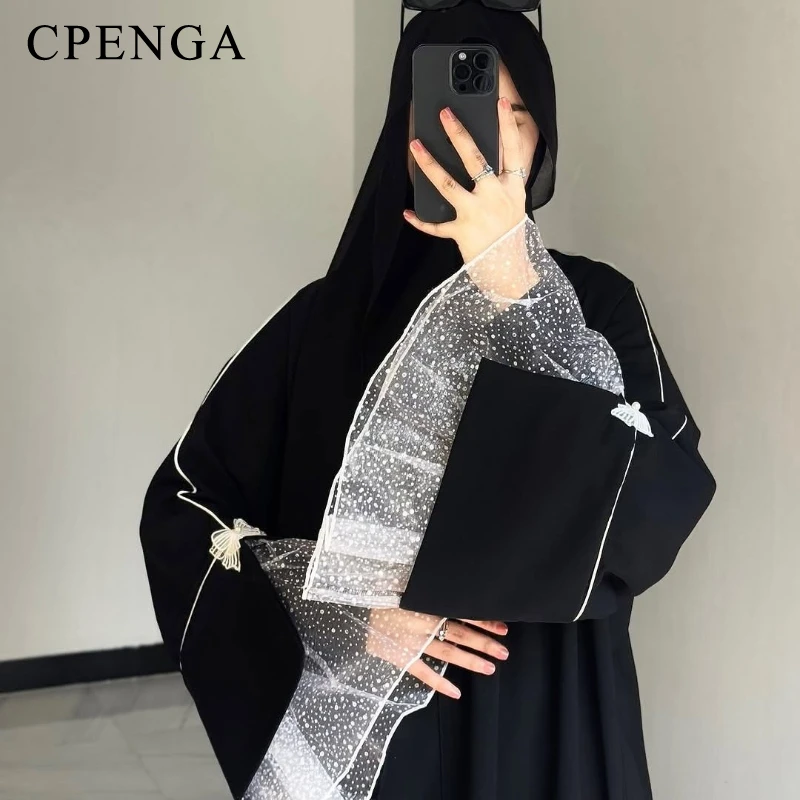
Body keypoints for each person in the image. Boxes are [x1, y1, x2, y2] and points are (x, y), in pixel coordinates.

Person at [139, 4, 716, 800]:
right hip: (379, 744)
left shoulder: (598, 305)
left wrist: (519, 287)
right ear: (403, 132)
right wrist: (338, 616)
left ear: (543, 141)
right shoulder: (320, 326)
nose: (491, 136)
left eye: (519, 113)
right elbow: (184, 510)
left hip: (544, 725)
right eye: (463, 108)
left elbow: (661, 503)